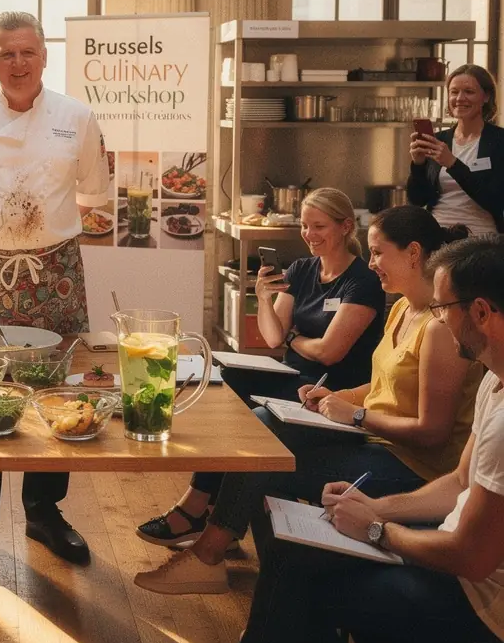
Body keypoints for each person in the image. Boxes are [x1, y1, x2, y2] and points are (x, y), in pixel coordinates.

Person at [134, 206, 483, 594]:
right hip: (378, 440)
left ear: (414, 253)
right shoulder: (402, 307)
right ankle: (254, 569)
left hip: (413, 467)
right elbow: (384, 385)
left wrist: (356, 416)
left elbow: (432, 434)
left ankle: (227, 561)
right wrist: (335, 396)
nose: (372, 263)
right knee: (264, 427)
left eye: (378, 252)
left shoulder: (437, 329)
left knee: (267, 462)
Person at [216, 234, 504, 643]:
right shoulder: (494, 379)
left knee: (300, 580)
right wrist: (371, 506)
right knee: (295, 549)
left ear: (482, 312)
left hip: (486, 613)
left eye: (443, 307)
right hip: (467, 577)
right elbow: (457, 482)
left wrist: (375, 530)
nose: (438, 318)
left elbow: (471, 557)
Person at [0, 11, 110, 574]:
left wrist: (37, 235)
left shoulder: (77, 118)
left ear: (45, 56)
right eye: (6, 53)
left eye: (27, 52)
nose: (17, 63)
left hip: (53, 269)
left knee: (53, 390)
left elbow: (93, 194)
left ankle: (44, 512)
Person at [137, 188, 385, 552]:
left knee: (247, 417)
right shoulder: (302, 269)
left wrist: (294, 338)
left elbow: (330, 353)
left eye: (319, 226)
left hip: (330, 393)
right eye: (304, 225)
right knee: (226, 381)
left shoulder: (361, 281)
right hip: (292, 377)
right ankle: (199, 506)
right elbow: (272, 337)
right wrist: (265, 299)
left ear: (346, 227)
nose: (309, 234)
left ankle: (196, 510)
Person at [408, 63, 504, 235]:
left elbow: (495, 200)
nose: (460, 98)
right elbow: (418, 200)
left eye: (469, 92)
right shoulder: (439, 140)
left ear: (486, 97)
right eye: (454, 92)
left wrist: (453, 164)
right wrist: (418, 165)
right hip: (438, 235)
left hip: (482, 239)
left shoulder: (499, 141)